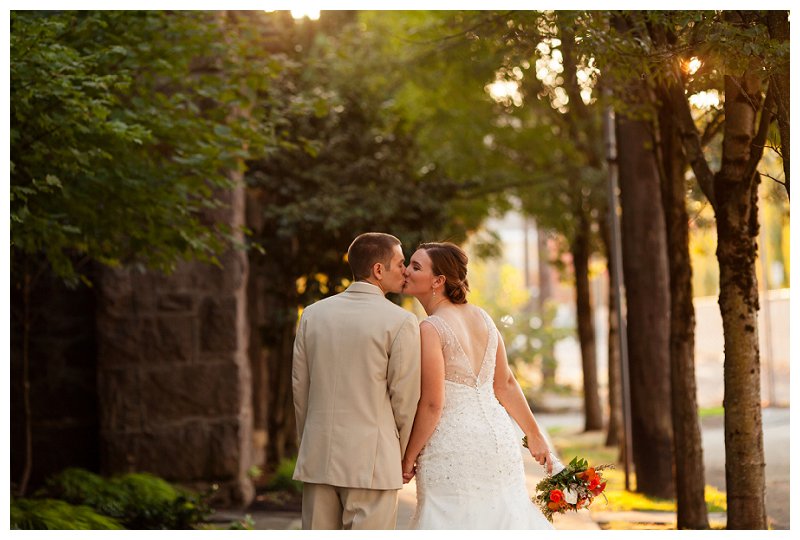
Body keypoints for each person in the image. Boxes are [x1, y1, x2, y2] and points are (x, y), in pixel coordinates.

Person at [400, 241, 556, 529]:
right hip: (497, 440)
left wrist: (407, 457)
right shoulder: (484, 318)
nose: (405, 271)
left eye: (415, 266)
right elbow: (506, 383)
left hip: (452, 448)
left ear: (438, 281)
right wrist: (533, 434)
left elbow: (433, 404)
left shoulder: (430, 328)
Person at [291, 232, 422, 530]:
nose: (405, 271)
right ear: (378, 270)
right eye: (401, 263)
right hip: (373, 464)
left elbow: (301, 389)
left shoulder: (312, 315)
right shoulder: (400, 321)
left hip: (318, 457)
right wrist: (400, 457)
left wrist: (309, 441)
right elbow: (404, 399)